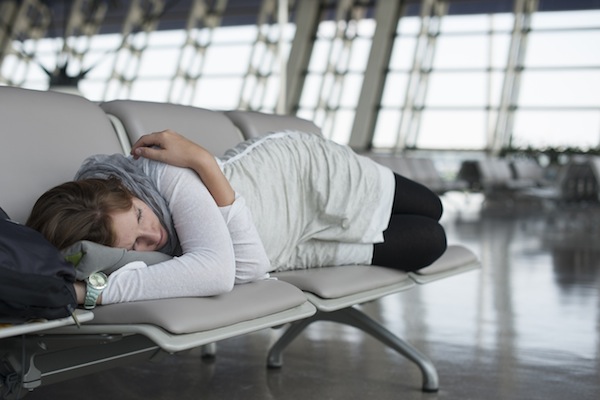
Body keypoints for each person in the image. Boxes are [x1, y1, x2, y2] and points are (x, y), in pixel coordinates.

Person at [27, 129, 446, 307]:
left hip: (296, 176)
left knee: (431, 207)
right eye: (134, 245)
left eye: (140, 215)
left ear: (129, 191)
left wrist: (203, 164)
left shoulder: (159, 171)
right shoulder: (112, 244)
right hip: (282, 246)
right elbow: (245, 269)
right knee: (429, 242)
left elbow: (219, 270)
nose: (152, 236)